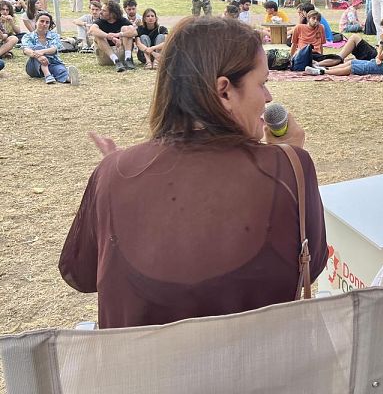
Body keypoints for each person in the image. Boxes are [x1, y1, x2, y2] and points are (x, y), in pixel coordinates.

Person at [58, 16, 328, 328]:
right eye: (262, 83)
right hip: (262, 358)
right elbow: (311, 266)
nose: (268, 98)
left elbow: (80, 274)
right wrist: (289, 160)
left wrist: (117, 177)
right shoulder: (291, 167)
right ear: (224, 91)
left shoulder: (112, 173)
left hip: (141, 361)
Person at [305, 17, 383, 76]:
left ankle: (322, 72)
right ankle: (325, 68)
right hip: (379, 62)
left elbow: (380, 57)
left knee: (352, 67)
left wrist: (381, 42)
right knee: (352, 62)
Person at [21, 11, 77, 84]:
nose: (44, 24)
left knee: (60, 70)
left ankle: (69, 78)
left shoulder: (54, 36)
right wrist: (38, 55)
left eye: (47, 22)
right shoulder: (28, 36)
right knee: (38, 48)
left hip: (52, 62)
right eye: (42, 21)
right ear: (36, 22)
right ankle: (47, 75)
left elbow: (54, 49)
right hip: (34, 67)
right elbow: (26, 50)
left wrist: (42, 52)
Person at [89, 0, 138, 72]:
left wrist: (119, 34)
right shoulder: (100, 21)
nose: (101, 12)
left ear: (112, 13)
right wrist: (108, 36)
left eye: (104, 11)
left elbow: (134, 32)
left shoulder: (122, 20)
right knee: (98, 35)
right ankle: (116, 60)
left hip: (121, 53)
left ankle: (128, 59)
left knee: (126, 29)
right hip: (106, 56)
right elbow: (92, 30)